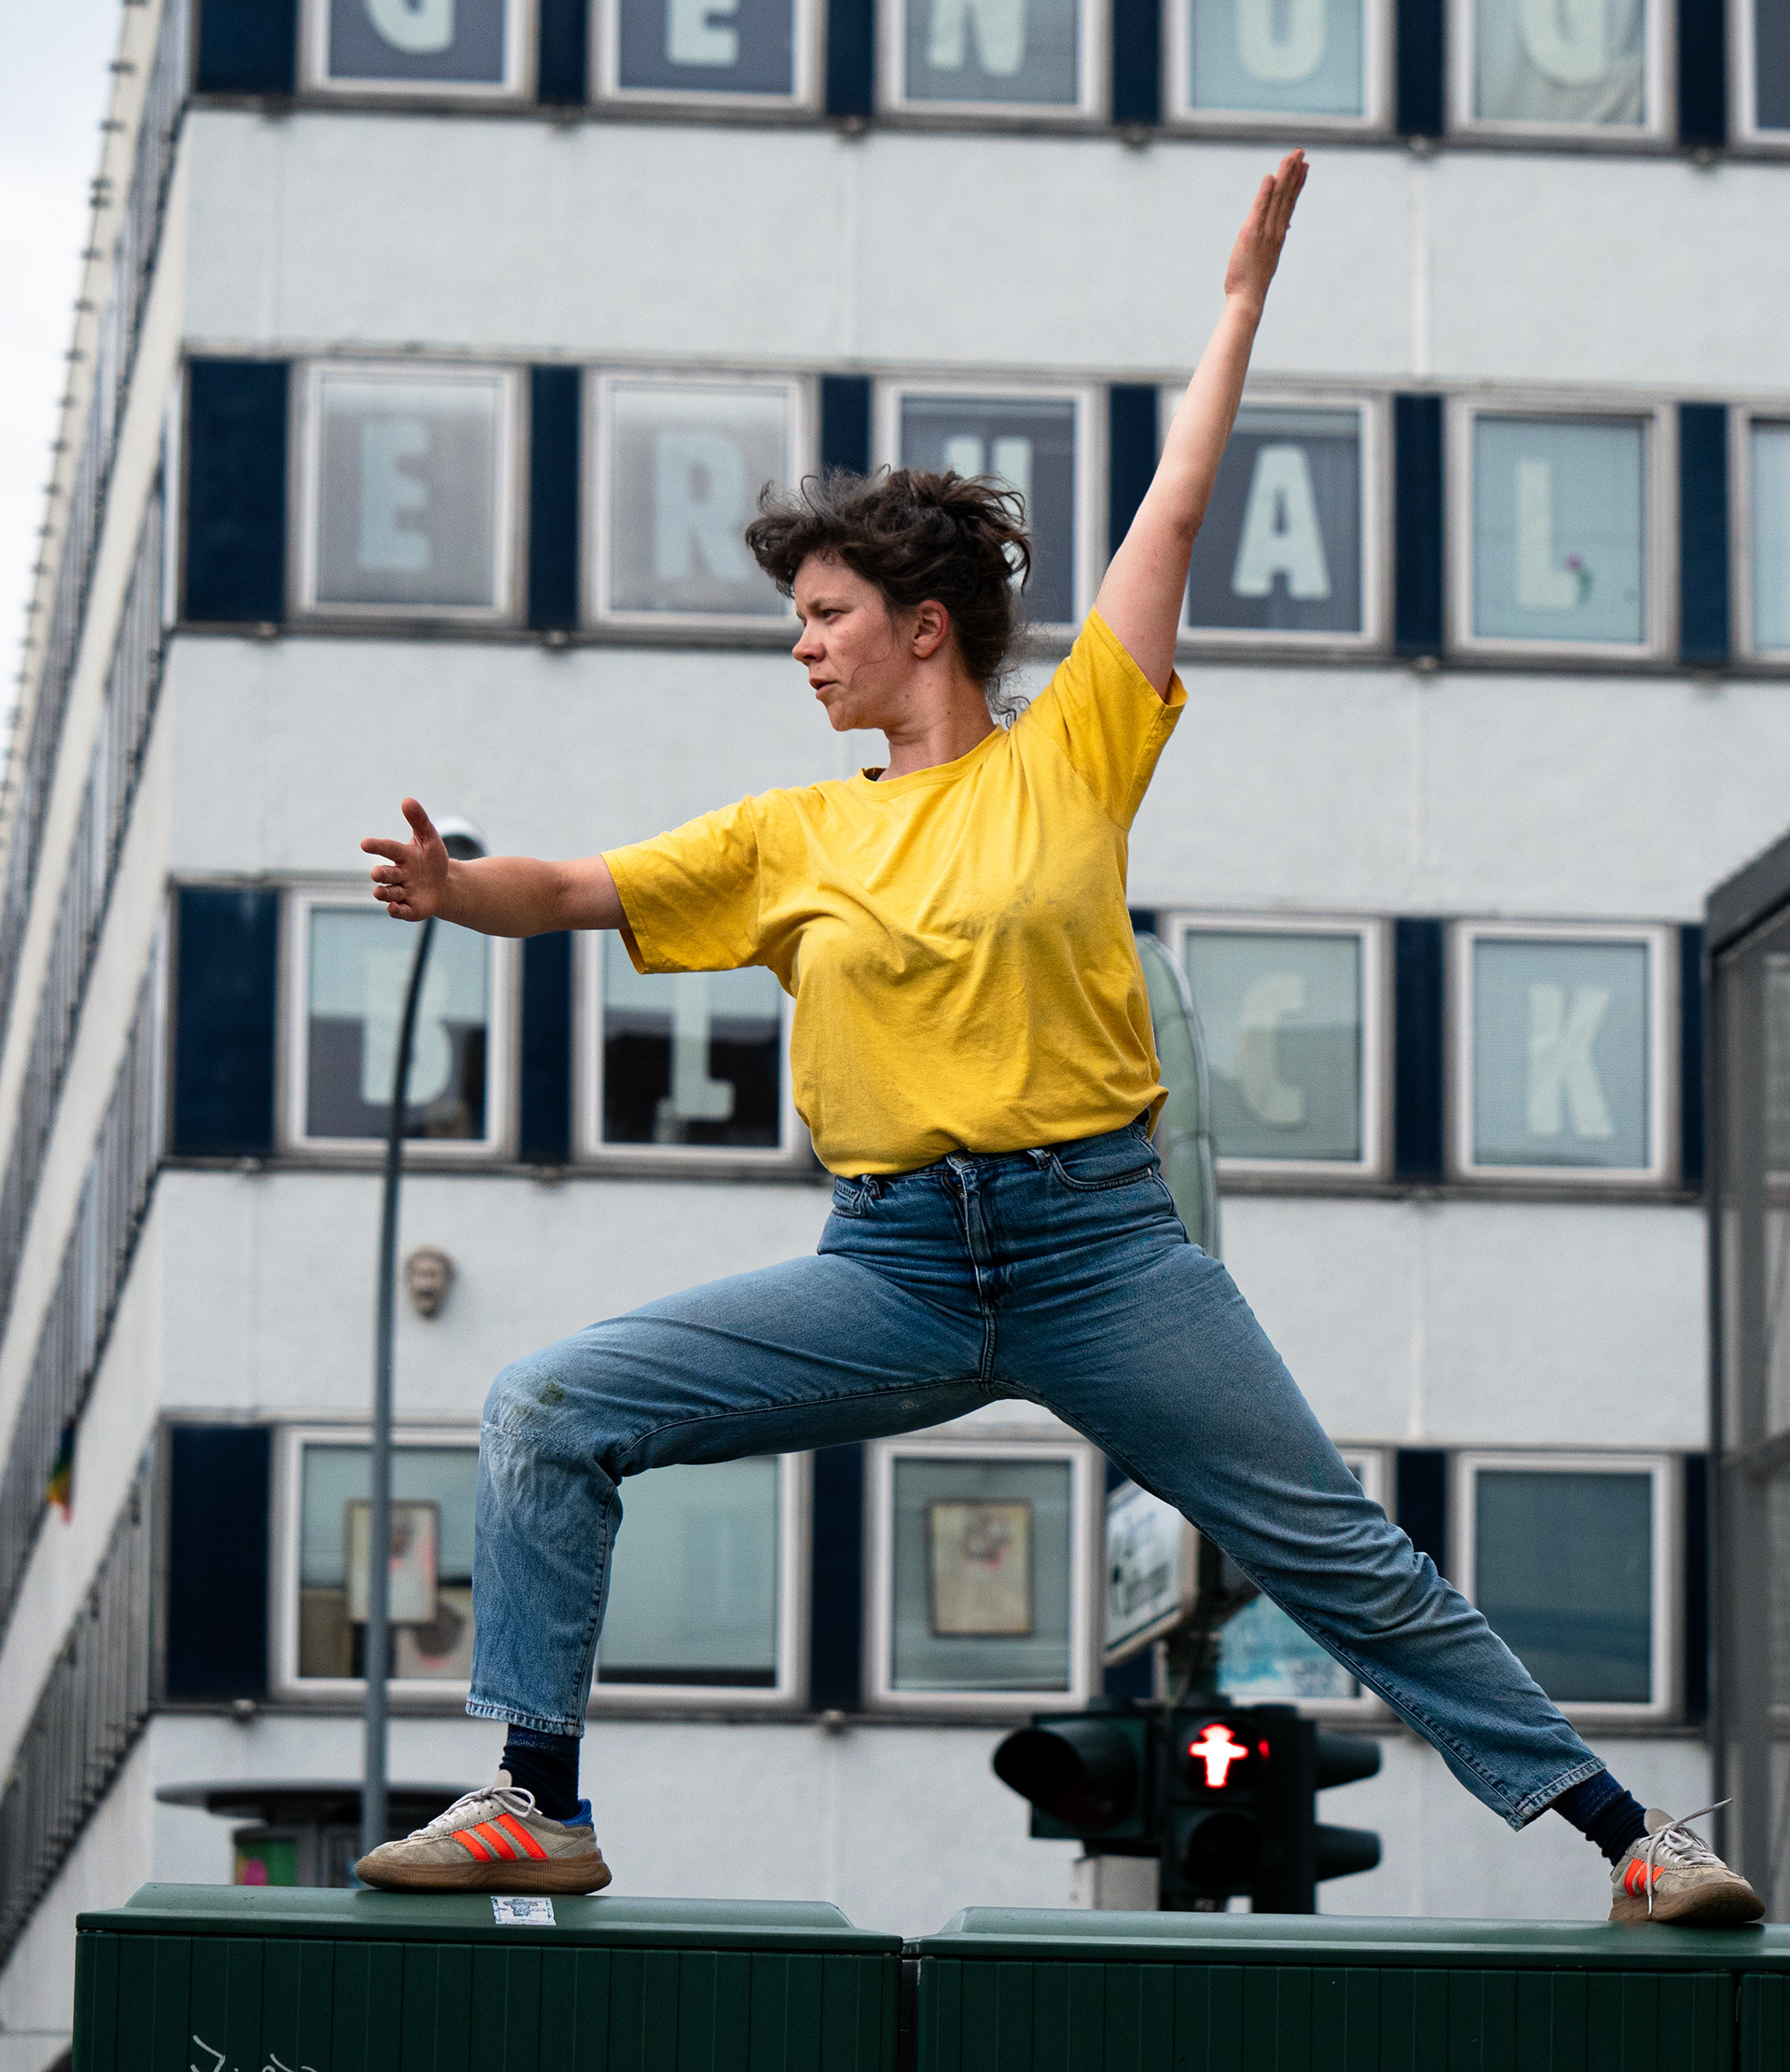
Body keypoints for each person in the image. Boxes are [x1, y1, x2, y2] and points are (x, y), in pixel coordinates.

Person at [354, 153, 1760, 1928]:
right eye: (797, 622)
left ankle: (1634, 1839)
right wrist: (452, 887)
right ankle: (535, 1799)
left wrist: (1238, 308)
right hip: (891, 1271)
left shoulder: (1076, 751)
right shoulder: (791, 836)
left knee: (1342, 1553)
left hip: (1106, 1257)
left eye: (825, 617)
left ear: (921, 627)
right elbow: (571, 888)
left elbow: (1172, 514)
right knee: (547, 1405)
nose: (802, 649)